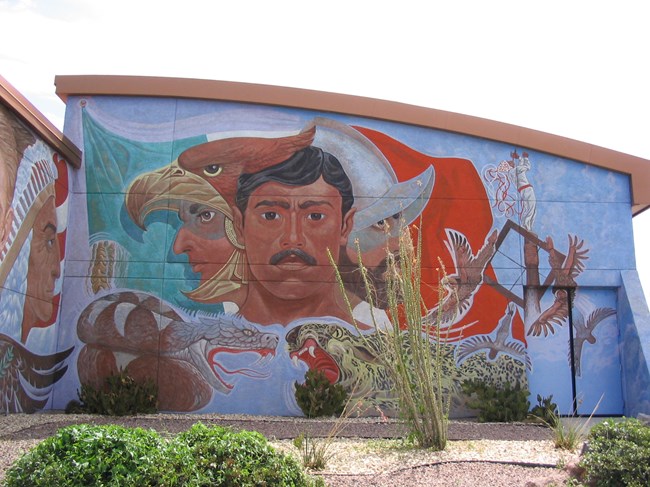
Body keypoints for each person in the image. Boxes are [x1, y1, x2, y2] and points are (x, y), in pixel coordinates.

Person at [231, 146, 356, 325]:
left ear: (345, 226)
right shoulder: (201, 347)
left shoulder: (378, 351)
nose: (292, 239)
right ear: (239, 226)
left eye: (315, 216)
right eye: (271, 216)